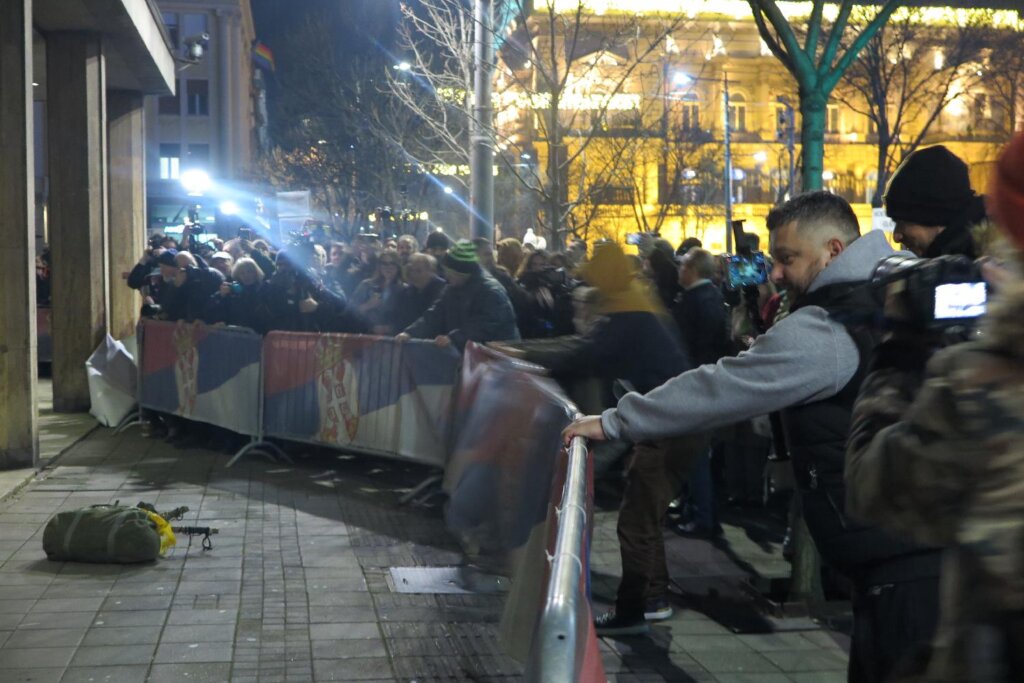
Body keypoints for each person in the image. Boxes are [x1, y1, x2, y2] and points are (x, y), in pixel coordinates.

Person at [562, 191, 941, 681]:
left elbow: (721, 387)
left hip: (898, 567)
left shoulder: (827, 327)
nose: (776, 274)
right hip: (919, 549)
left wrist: (616, 421)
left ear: (834, 251)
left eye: (787, 259)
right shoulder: (902, 285)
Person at [845, 133, 1024, 683]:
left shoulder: (989, 382)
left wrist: (901, 346)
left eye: (907, 221)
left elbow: (872, 484)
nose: (899, 236)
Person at [501, 242, 704, 634]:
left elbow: (584, 352)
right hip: (668, 420)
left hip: (669, 425)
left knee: (636, 520)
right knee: (644, 513)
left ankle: (636, 609)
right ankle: (653, 597)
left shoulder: (628, 312)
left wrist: (517, 351)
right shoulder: (635, 303)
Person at [398, 240, 519, 349]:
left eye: (449, 272)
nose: (446, 276)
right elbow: (435, 314)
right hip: (475, 357)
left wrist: (454, 338)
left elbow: (486, 324)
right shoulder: (452, 288)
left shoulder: (490, 291)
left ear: (461, 272)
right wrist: (410, 332)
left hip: (497, 356)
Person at [884, 145, 985, 259]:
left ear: (936, 217)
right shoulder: (963, 261)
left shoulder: (980, 269)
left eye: (903, 222)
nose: (896, 236)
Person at [204, 257, 270, 333]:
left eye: (249, 271)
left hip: (257, 335)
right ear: (238, 275)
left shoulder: (265, 289)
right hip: (233, 335)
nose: (246, 275)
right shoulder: (232, 290)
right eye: (242, 273)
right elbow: (210, 311)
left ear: (255, 273)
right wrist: (220, 295)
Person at [349, 248, 407, 334]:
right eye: (384, 263)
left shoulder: (405, 289)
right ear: (379, 266)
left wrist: (391, 328)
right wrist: (367, 305)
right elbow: (349, 312)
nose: (388, 267)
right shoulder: (366, 285)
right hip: (365, 336)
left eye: (392, 263)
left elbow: (408, 318)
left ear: (398, 266)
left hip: (394, 338)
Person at [158, 250, 224, 322]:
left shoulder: (212, 275)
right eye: (182, 268)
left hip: (210, 324)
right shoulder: (177, 279)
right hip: (188, 326)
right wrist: (175, 287)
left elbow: (221, 301)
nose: (188, 270)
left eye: (189, 266)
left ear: (194, 263)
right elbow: (166, 309)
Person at [392, 253, 445, 332]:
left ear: (431, 271)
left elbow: (434, 319)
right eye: (411, 270)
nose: (413, 274)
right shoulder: (405, 292)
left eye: (418, 271)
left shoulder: (443, 290)